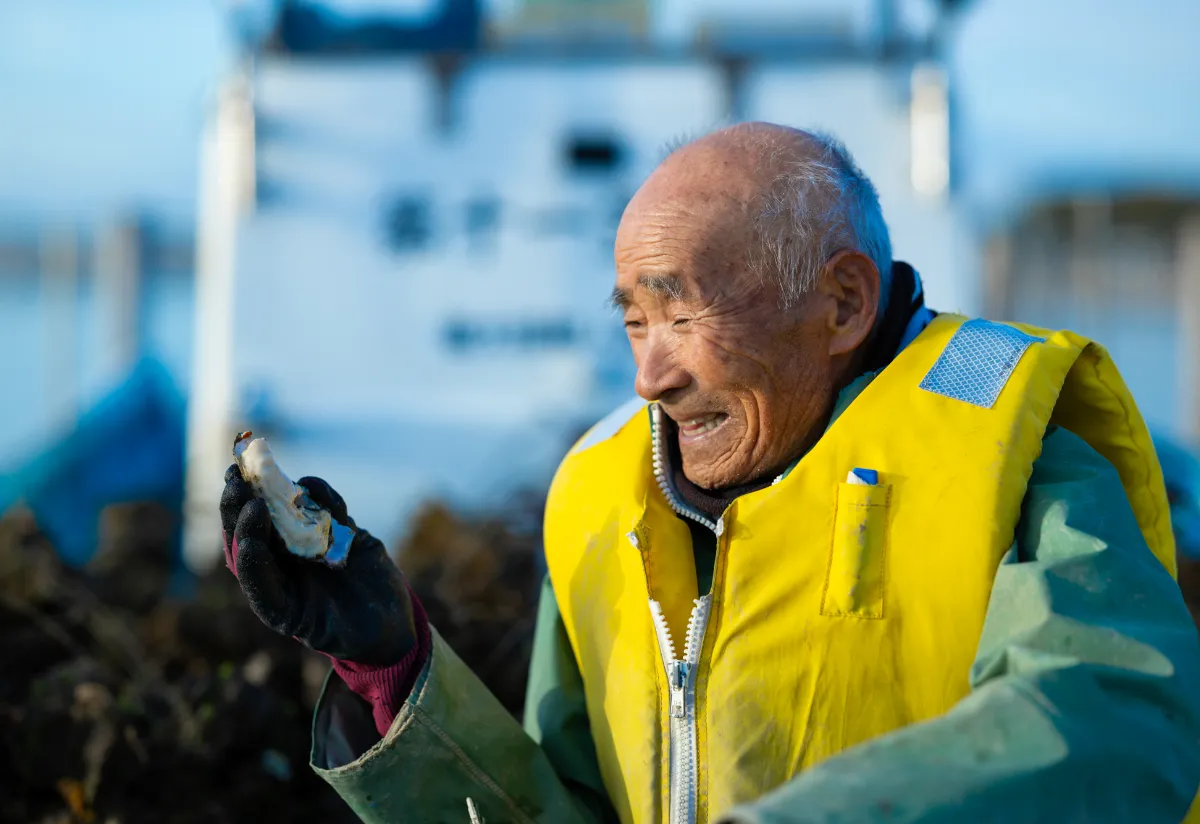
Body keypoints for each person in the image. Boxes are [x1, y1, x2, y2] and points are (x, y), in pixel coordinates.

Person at [220, 123, 1200, 823]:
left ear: (844, 302)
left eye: (681, 314)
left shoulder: (1011, 457)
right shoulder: (603, 497)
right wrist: (392, 671)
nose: (650, 374)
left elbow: (1115, 721)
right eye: (633, 321)